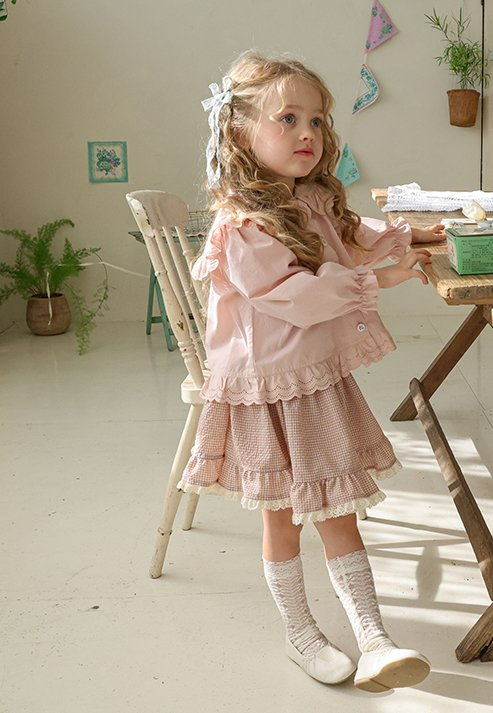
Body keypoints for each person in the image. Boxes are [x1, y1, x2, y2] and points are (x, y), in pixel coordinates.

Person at [177, 52, 445, 693]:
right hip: (268, 389)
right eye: (289, 119)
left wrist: (407, 238)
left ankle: (374, 640)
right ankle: (301, 635)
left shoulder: (310, 197)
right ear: (240, 131)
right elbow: (292, 295)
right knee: (284, 518)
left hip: (314, 381)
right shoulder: (243, 224)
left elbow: (348, 235)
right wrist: (380, 278)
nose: (308, 133)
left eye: (318, 120)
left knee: (339, 513)